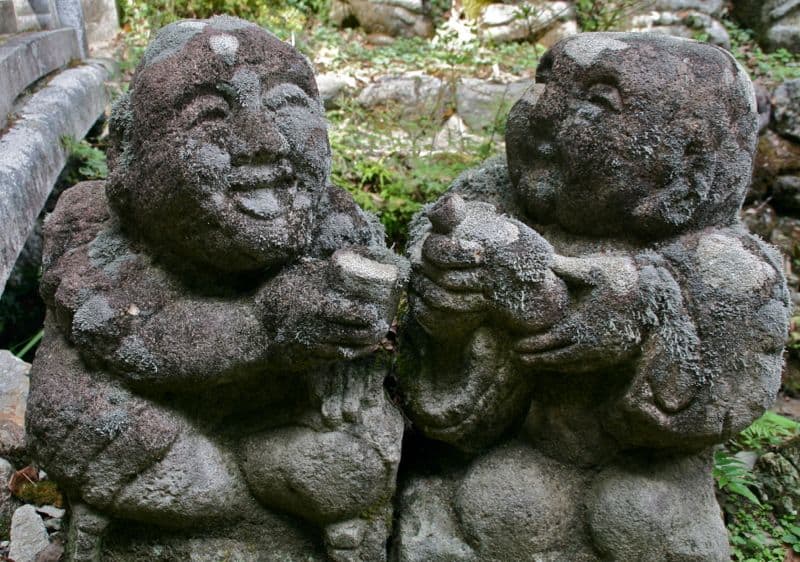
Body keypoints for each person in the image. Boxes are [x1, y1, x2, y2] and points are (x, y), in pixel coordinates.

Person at [27, 16, 407, 561]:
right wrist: (262, 327)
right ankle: (233, 501)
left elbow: (380, 328)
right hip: (152, 420)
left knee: (351, 456)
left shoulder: (339, 228)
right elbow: (136, 336)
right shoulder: (93, 226)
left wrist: (356, 345)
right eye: (209, 116)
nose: (263, 141)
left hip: (274, 425)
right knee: (87, 417)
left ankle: (246, 491)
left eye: (287, 107)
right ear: (127, 154)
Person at [397, 33, 788, 560]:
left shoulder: (722, 257)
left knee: (644, 515)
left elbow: (737, 334)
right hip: (500, 474)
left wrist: (647, 306)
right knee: (498, 505)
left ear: (687, 155)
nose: (540, 107)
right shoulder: (486, 201)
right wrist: (450, 299)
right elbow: (427, 258)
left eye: (598, 101)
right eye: (543, 81)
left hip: (641, 483)